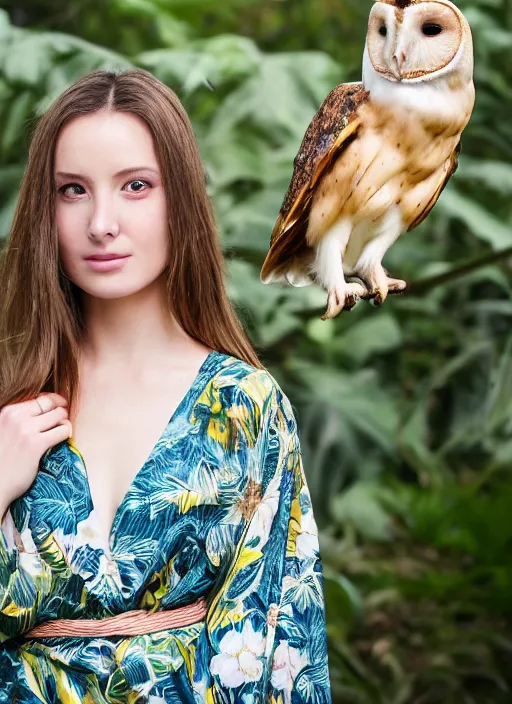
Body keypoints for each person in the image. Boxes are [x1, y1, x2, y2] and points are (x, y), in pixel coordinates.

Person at [0, 68, 332, 703]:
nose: (102, 222)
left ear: (180, 198)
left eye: (134, 186)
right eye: (72, 190)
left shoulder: (243, 406)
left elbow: (281, 643)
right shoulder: (13, 402)